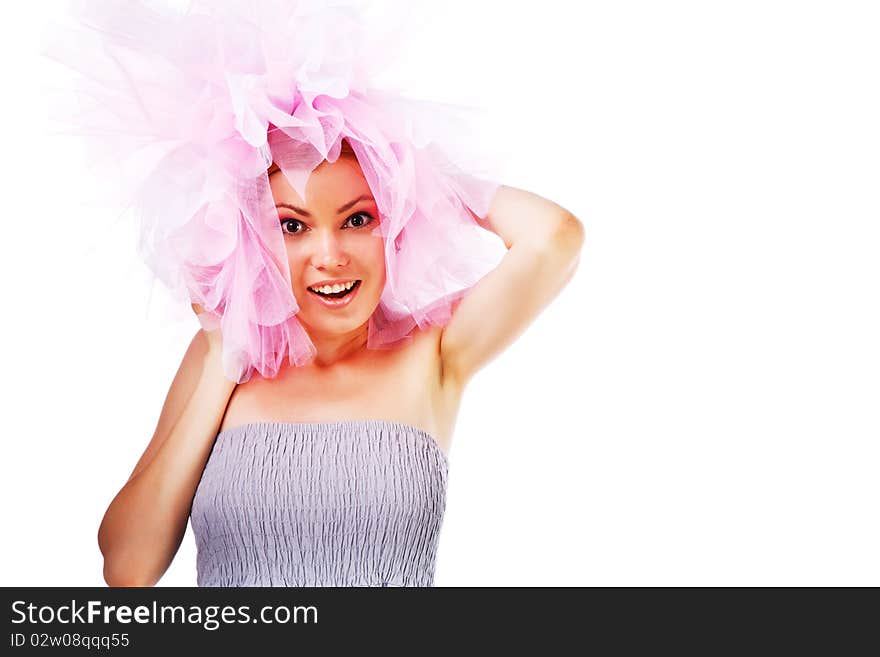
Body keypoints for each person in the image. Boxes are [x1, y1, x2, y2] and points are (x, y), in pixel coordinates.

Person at [43, 0, 584, 586]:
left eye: (357, 219)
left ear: (393, 227)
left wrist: (410, 171)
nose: (329, 256)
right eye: (292, 226)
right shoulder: (220, 355)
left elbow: (553, 237)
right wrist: (228, 357)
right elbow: (128, 569)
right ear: (254, 238)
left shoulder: (435, 350)